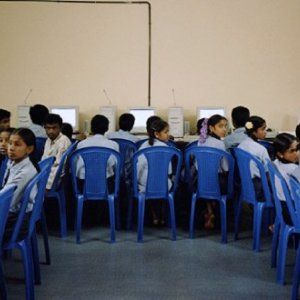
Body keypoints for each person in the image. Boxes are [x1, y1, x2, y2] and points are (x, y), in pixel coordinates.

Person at [1, 128, 39, 242]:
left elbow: (7, 201)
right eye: (10, 143)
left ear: (29, 149)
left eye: (17, 144)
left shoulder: (25, 172)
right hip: (14, 216)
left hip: (17, 223)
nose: (11, 148)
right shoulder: (15, 162)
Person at [137, 119, 172, 225]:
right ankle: (162, 216)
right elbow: (169, 170)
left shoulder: (143, 146)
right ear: (157, 134)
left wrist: (136, 181)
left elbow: (138, 167)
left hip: (145, 185)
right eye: (166, 132)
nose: (168, 135)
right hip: (163, 185)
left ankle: (154, 215)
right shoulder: (166, 148)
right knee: (167, 181)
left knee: (149, 184)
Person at [197, 114, 229, 229]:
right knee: (225, 180)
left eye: (225, 126)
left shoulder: (200, 141)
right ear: (211, 128)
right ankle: (214, 210)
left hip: (200, 183)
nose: (224, 129)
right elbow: (225, 168)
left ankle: (209, 210)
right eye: (221, 126)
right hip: (217, 184)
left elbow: (197, 166)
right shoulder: (220, 144)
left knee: (208, 180)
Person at [75, 114, 119, 192]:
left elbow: (75, 165)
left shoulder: (81, 144)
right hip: (106, 182)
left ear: (91, 128)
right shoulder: (113, 144)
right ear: (107, 128)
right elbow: (117, 167)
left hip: (84, 183)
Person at [238, 115, 271, 201]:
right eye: (263, 129)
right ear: (253, 132)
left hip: (245, 184)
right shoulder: (261, 149)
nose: (265, 132)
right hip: (259, 187)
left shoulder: (241, 146)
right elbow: (268, 172)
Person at [272, 133, 300, 225]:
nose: (296, 153)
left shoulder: (275, 163)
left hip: (283, 208)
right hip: (295, 212)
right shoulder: (294, 170)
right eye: (292, 151)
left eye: (297, 149)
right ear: (280, 154)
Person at [42, 113, 71, 190]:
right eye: (48, 128)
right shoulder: (48, 140)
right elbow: (44, 161)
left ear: (60, 128)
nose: (51, 131)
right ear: (44, 128)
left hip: (55, 179)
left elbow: (59, 167)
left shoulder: (63, 141)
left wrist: (47, 186)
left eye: (54, 128)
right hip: (46, 175)